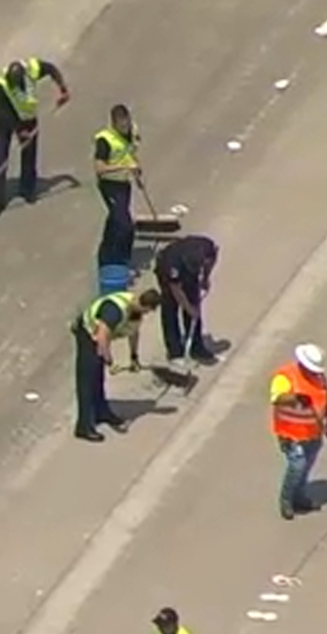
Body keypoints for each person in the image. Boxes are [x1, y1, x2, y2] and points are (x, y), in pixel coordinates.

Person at [71, 288, 163, 442]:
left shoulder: (135, 310)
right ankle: (84, 426)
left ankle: (101, 412)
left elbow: (133, 332)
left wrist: (133, 356)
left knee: (98, 377)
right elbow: (101, 336)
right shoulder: (114, 310)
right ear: (144, 305)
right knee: (87, 379)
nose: (146, 314)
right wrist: (109, 361)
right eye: (147, 311)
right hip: (88, 333)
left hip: (100, 337)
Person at [0, 58, 71, 217]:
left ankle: (27, 189)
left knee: (30, 151)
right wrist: (18, 130)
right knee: (0, 157)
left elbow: (51, 69)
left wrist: (62, 88)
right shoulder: (0, 86)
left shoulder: (32, 69)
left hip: (27, 117)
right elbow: (3, 114)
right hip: (3, 122)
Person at [270, 343, 327, 520]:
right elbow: (277, 399)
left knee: (306, 466)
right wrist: (295, 398)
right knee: (297, 465)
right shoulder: (286, 376)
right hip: (291, 433)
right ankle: (286, 500)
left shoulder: (320, 378)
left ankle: (299, 497)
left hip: (313, 432)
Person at [154, 234, 220, 364]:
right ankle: (174, 351)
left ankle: (196, 347)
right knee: (170, 308)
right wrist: (189, 309)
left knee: (194, 302)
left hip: (185, 271)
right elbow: (176, 290)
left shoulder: (207, 247)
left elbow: (213, 258)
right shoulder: (173, 265)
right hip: (166, 271)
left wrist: (205, 277)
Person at [94, 104, 142, 268]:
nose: (125, 128)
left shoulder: (133, 131)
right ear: (114, 124)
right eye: (121, 126)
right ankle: (121, 259)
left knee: (116, 219)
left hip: (124, 184)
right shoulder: (104, 140)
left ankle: (105, 253)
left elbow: (132, 152)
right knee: (126, 226)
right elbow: (99, 169)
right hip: (109, 185)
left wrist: (137, 172)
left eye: (127, 124)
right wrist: (125, 167)